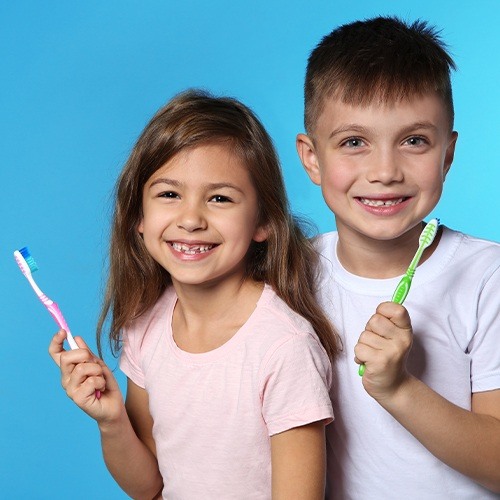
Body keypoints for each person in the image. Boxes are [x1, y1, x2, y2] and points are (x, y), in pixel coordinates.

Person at [49, 89, 340, 499]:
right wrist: (112, 421)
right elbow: (148, 487)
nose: (190, 219)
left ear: (264, 223)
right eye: (169, 194)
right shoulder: (145, 326)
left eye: (219, 198)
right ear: (138, 217)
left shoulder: (283, 347)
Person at [296, 16, 500, 499]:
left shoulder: (487, 277)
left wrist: (399, 389)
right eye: (353, 142)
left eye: (414, 141)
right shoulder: (289, 274)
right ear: (311, 158)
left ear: (447, 155)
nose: (385, 171)